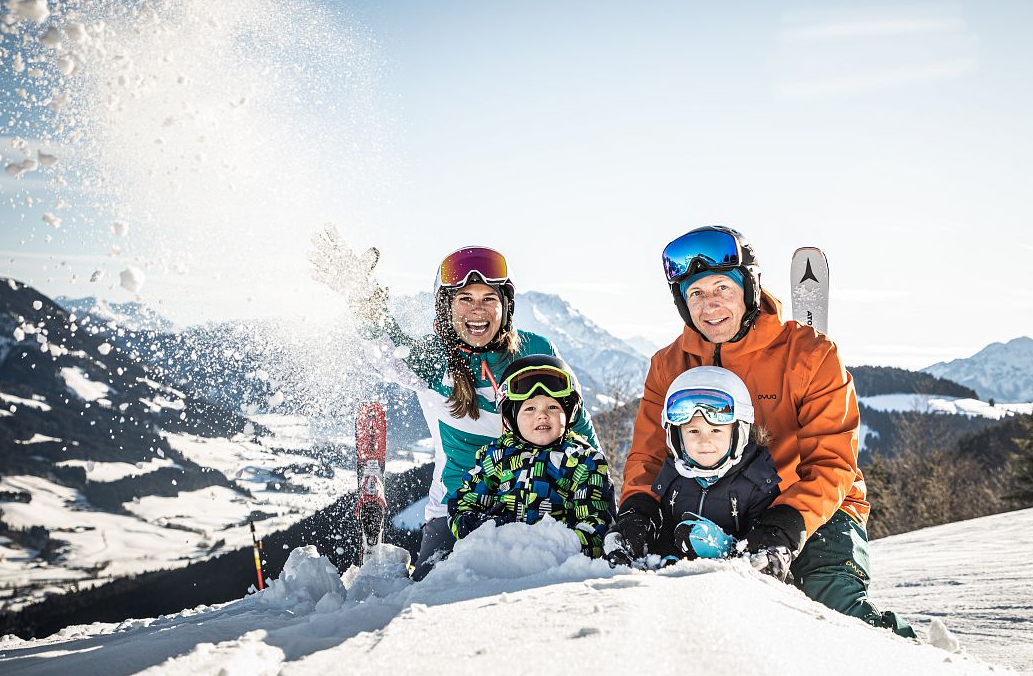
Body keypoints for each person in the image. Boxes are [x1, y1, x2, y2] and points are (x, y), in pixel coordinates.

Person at [609, 225, 915, 638]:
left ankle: (919, 669)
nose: (710, 304)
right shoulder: (668, 365)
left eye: (722, 288)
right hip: (709, 502)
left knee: (830, 611)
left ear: (749, 288)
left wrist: (785, 524)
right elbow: (648, 455)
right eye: (695, 293)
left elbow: (833, 462)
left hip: (810, 510)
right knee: (657, 601)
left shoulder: (810, 356)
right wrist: (638, 510)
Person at [308, 227, 599, 579]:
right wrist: (364, 303)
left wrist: (599, 502)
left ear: (505, 307)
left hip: (541, 504)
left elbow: (579, 428)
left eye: (488, 298)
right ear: (447, 307)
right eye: (465, 299)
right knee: (433, 593)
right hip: (454, 510)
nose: (478, 310)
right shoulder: (434, 360)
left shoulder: (535, 351)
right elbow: (388, 349)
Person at [605, 366, 778, 564]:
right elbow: (666, 530)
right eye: (693, 431)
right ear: (677, 437)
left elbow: (761, 546)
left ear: (738, 434)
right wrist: (663, 554)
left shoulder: (757, 484)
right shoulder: (672, 476)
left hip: (730, 584)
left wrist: (723, 547)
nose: (704, 441)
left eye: (715, 431)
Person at [449, 355, 614, 557]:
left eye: (553, 407)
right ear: (512, 417)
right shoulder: (495, 456)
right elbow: (466, 503)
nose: (542, 415)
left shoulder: (584, 461)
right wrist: (478, 526)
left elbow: (595, 525)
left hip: (557, 562)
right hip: (498, 557)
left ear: (569, 413)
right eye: (529, 409)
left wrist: (557, 545)